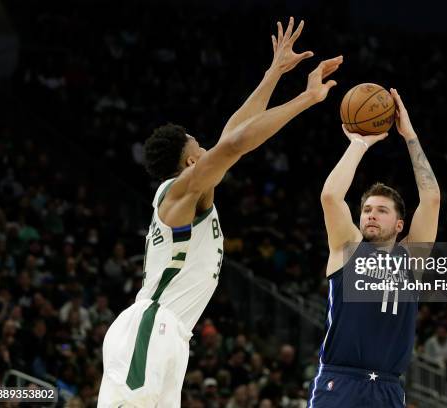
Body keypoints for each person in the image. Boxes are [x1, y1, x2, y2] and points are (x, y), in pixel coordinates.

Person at [98, 17, 343, 407]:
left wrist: (274, 72)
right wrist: (306, 99)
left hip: (172, 335)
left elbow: (234, 133)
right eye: (200, 144)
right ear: (192, 158)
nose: (207, 148)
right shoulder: (177, 193)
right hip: (150, 327)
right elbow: (234, 145)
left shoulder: (192, 192)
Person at [308, 89, 441, 407]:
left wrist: (409, 136)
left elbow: (432, 198)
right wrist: (359, 144)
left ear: (400, 225)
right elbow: (330, 197)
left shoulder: (411, 258)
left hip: (388, 388)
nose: (370, 214)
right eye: (367, 209)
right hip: (339, 381)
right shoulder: (347, 248)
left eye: (381, 210)